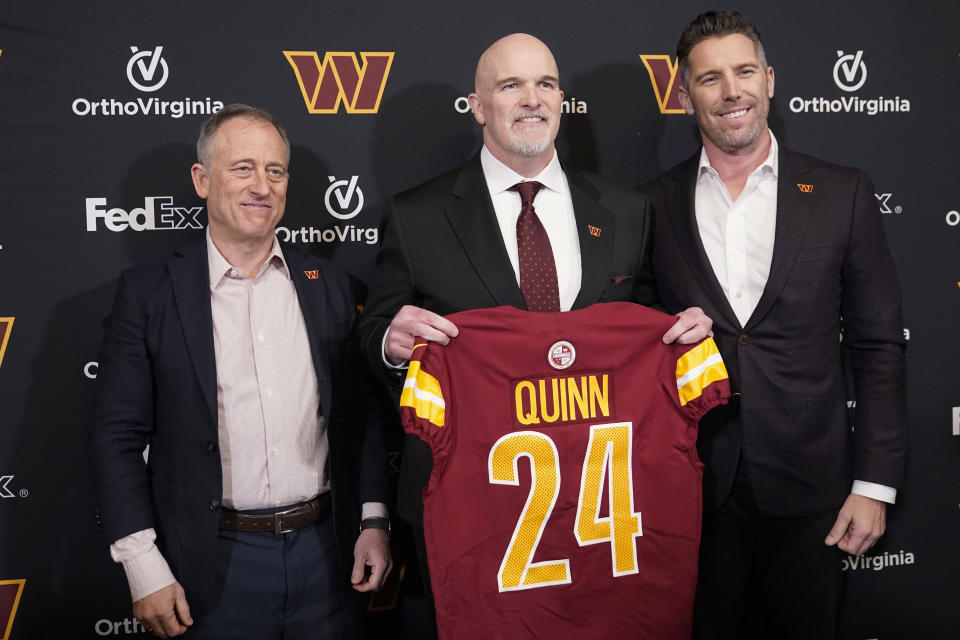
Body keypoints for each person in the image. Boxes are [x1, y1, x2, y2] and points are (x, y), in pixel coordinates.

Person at [357, 32, 712, 631]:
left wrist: (682, 334)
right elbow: (370, 336)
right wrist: (390, 345)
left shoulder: (624, 210)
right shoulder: (417, 214)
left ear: (561, 99)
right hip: (479, 512)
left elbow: (647, 322)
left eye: (545, 83)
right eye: (510, 85)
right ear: (477, 107)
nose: (532, 99)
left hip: (609, 512)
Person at [641, 11, 907, 639]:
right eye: (709, 79)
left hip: (813, 489)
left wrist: (876, 485)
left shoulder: (842, 193)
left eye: (743, 72)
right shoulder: (648, 205)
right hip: (692, 489)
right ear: (685, 98)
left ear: (770, 80)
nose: (730, 91)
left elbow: (877, 348)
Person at [90, 104, 392, 639]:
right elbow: (116, 436)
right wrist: (141, 564)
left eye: (275, 171)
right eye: (243, 168)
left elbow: (360, 415)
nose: (262, 185)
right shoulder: (148, 292)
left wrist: (372, 520)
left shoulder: (332, 287)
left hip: (327, 554)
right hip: (207, 564)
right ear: (202, 180)